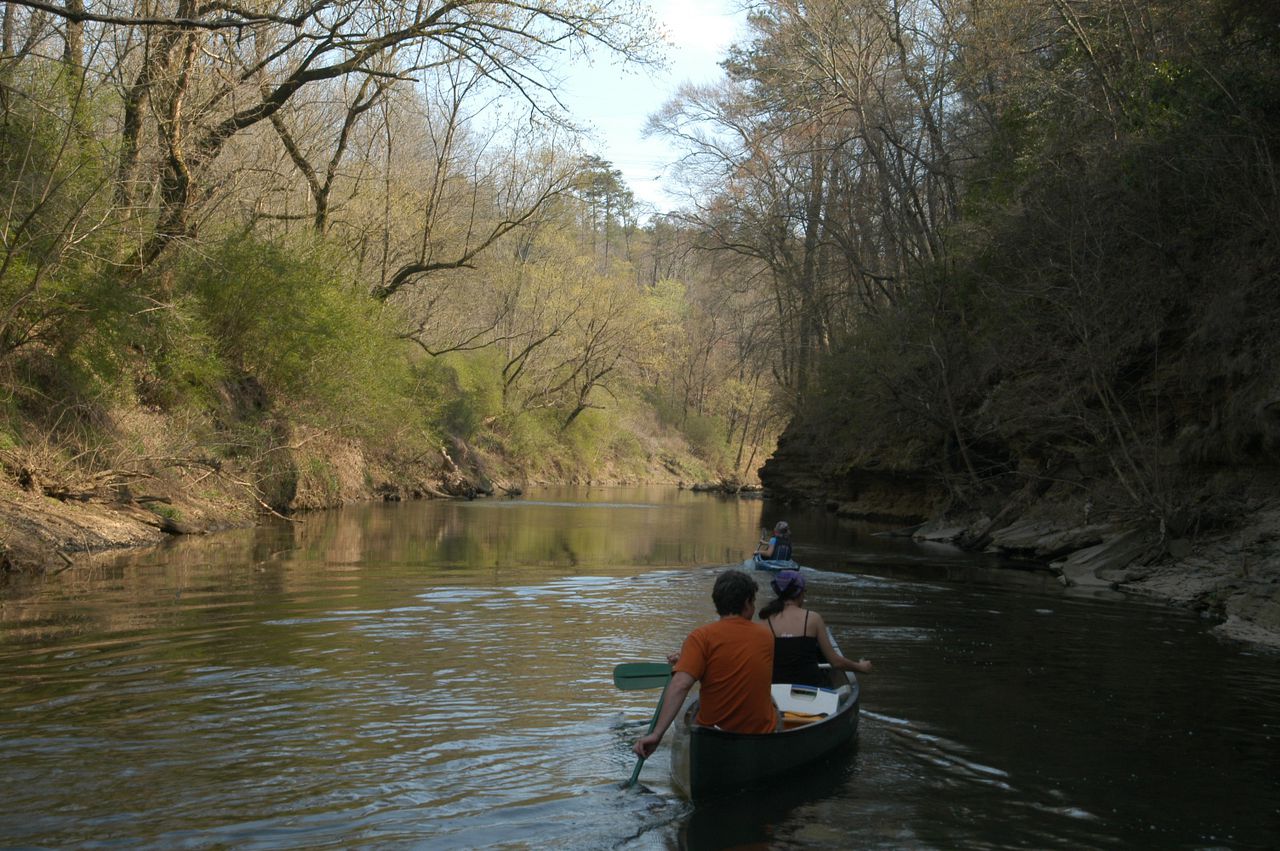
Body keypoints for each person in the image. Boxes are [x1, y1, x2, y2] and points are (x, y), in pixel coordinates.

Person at [633, 570, 776, 759]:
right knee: (774, 705)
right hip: (759, 737)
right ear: (747, 602)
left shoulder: (700, 637)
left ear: (717, 603)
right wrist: (689, 660)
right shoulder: (766, 636)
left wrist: (657, 734)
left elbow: (681, 685)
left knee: (691, 710)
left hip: (714, 737)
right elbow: (735, 662)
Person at [758, 569, 872, 687]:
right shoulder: (813, 618)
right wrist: (861, 667)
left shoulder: (764, 621)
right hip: (812, 688)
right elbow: (835, 662)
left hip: (777, 690)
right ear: (800, 593)